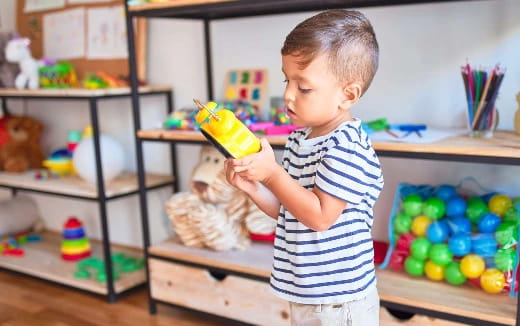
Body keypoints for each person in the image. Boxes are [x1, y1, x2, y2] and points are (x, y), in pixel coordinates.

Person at [224, 9, 384, 326]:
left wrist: (272, 173)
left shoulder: (346, 147)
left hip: (341, 301)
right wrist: (254, 187)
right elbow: (292, 211)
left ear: (347, 95)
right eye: (287, 81)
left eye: (303, 87)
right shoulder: (301, 139)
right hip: (309, 293)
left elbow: (320, 217)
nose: (287, 95)